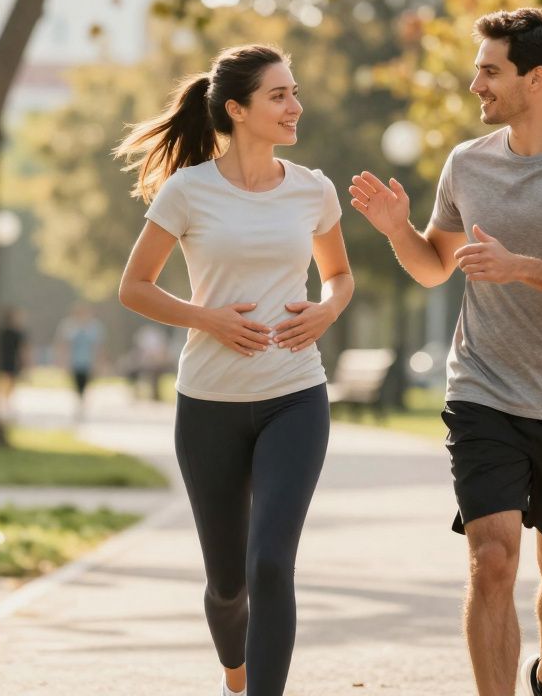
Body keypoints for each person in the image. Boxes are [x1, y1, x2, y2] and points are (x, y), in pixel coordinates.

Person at [348, 8, 542, 696]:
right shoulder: (467, 164)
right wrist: (398, 231)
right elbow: (432, 267)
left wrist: (522, 267)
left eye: (489, 69)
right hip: (482, 389)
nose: (474, 82)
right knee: (492, 559)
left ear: (534, 79)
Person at [116, 44, 353, 696]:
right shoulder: (188, 191)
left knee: (272, 563)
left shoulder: (313, 188)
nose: (295, 105)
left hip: (294, 395)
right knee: (229, 585)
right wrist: (208, 318)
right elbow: (134, 287)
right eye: (279, 95)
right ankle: (235, 678)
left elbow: (338, 275)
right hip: (210, 403)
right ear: (237, 109)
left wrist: (327, 312)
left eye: (294, 92)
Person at [55, 303, 104, 411]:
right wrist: (62, 360)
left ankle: (82, 400)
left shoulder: (94, 327)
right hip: (74, 360)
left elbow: (97, 346)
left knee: (86, 382)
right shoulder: (69, 326)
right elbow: (64, 344)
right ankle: (79, 400)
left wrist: (99, 361)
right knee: (76, 382)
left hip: (88, 361)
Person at [0, 306, 28, 407]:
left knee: (5, 380)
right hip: (9, 360)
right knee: (8, 380)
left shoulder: (1, 332)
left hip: (4, 359)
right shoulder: (15, 333)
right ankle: (6, 399)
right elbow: (22, 350)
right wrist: (24, 362)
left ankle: (5, 399)